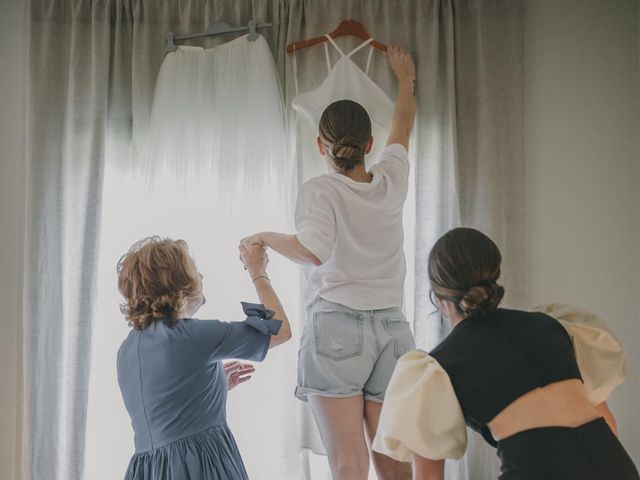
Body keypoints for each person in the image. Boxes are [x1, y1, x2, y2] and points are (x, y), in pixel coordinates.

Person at [241, 45, 416, 480]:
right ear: (369, 145)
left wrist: (263, 237)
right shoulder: (390, 180)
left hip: (338, 328)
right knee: (395, 466)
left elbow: (312, 250)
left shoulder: (321, 190)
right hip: (394, 331)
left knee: (348, 465)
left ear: (320, 145)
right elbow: (403, 128)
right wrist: (406, 81)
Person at [373, 227, 639, 480]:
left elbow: (430, 477)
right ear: (494, 274)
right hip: (614, 463)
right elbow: (607, 420)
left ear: (438, 296)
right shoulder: (551, 324)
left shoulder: (435, 366)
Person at [116, 236, 291, 480]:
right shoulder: (194, 335)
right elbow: (280, 330)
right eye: (194, 269)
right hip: (198, 463)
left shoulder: (127, 348)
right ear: (179, 282)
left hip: (149, 470)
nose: (201, 276)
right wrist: (257, 271)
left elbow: (163, 409)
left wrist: (215, 387)